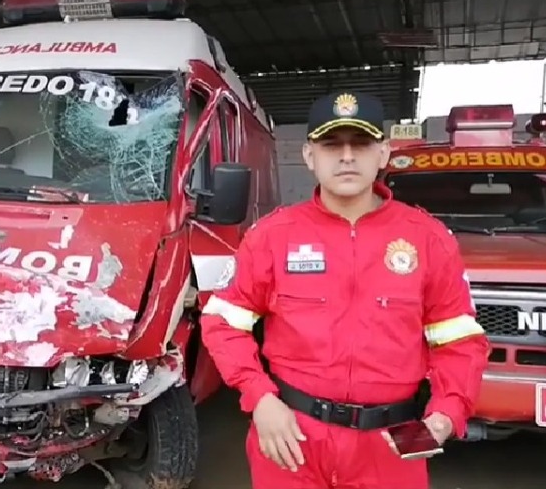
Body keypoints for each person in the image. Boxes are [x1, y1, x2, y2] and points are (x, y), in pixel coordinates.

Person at [199, 91, 490, 489]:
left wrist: (443, 416)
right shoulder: (271, 237)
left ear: (383, 153)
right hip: (292, 439)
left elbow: (460, 341)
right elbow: (222, 322)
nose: (347, 156)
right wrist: (260, 398)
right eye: (332, 145)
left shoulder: (428, 240)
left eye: (362, 144)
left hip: (391, 444)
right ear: (308, 156)